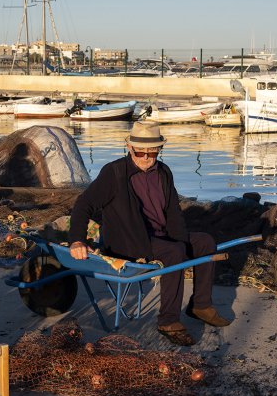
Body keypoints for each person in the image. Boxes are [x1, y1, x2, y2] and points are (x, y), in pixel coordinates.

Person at [67, 121, 231, 346]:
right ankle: (168, 320)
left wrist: (182, 241)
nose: (146, 157)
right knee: (174, 252)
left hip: (160, 236)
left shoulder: (164, 172)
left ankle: (200, 306)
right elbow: (83, 203)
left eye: (152, 152)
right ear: (129, 147)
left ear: (159, 150)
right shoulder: (114, 172)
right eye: (140, 152)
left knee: (204, 242)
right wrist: (76, 239)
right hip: (128, 241)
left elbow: (173, 212)